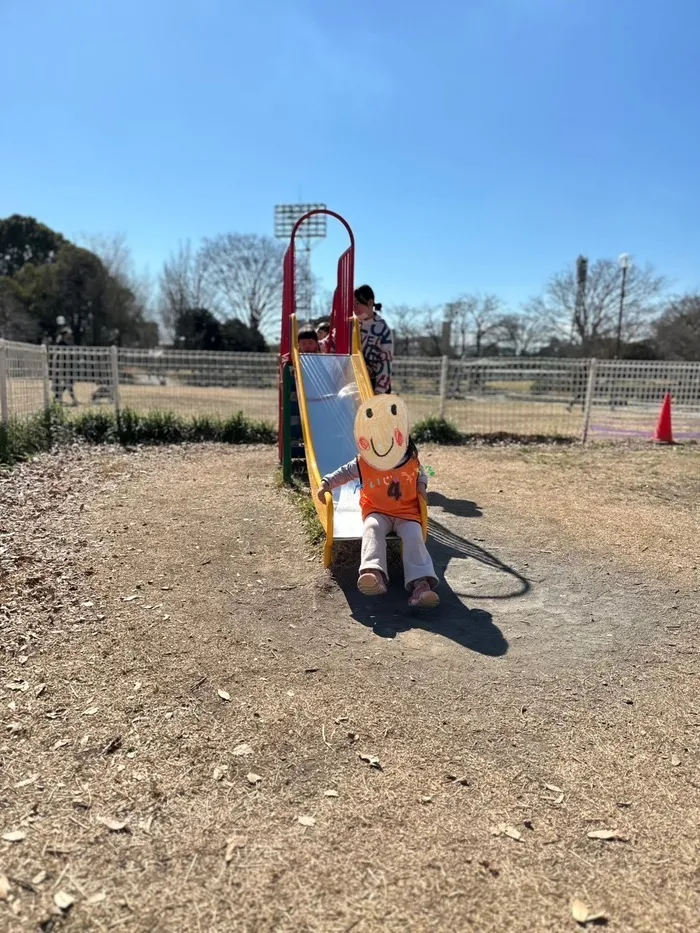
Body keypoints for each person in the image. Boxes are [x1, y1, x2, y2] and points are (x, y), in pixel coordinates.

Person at [317, 394, 439, 608]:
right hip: (377, 511)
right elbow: (345, 473)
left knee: (413, 536)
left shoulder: (409, 458)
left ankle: (421, 585)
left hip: (407, 512)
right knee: (372, 529)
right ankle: (373, 573)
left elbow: (422, 472)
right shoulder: (365, 461)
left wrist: (422, 484)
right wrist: (327, 482)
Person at [354, 284, 393, 394]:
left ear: (370, 303)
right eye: (352, 304)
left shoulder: (382, 328)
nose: (354, 308)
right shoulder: (351, 325)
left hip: (374, 385)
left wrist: (379, 391)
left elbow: (385, 362)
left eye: (357, 303)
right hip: (354, 384)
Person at [53, 316, 79, 406]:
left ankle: (58, 396)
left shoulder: (69, 343)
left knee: (69, 383)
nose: (69, 336)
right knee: (67, 383)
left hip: (69, 365)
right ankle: (64, 398)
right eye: (68, 335)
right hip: (63, 366)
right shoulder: (61, 343)